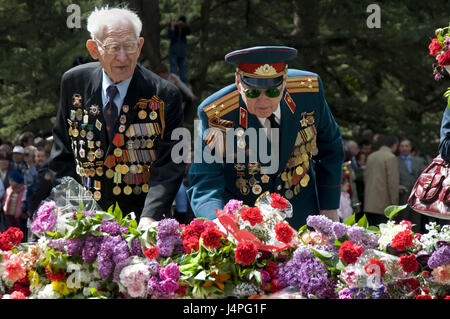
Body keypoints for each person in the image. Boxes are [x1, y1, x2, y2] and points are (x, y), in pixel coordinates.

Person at [49, 7, 185, 230]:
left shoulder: (163, 94)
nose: (123, 57)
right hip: (84, 218)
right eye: (113, 47)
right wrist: (71, 209)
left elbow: (169, 165)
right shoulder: (74, 83)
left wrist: (150, 217)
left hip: (140, 219)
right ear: (94, 49)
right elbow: (62, 153)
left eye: (130, 46)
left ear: (140, 47)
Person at [187, 46, 344, 229]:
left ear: (284, 80)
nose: (263, 101)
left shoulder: (308, 92)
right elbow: (205, 180)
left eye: (272, 92)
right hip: (246, 228)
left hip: (303, 218)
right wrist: (218, 224)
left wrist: (329, 207)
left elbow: (330, 147)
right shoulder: (216, 114)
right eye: (253, 92)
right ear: (238, 82)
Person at [363, 135, 399, 225]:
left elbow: (365, 177)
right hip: (383, 205)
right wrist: (394, 205)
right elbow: (392, 183)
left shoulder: (371, 156)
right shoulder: (391, 157)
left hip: (369, 202)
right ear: (394, 145)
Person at [2, 170, 27, 238]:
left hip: (19, 216)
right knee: (11, 231)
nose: (10, 182)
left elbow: (24, 202)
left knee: (20, 231)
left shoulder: (24, 189)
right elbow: (5, 199)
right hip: (9, 214)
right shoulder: (9, 190)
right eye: (10, 180)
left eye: (13, 180)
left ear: (17, 180)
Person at [168, 16, 191, 84]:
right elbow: (170, 37)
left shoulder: (185, 29)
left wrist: (184, 26)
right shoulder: (174, 28)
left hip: (182, 52)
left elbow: (189, 32)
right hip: (174, 51)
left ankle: (184, 85)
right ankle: (172, 83)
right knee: (173, 69)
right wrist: (173, 27)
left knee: (183, 71)